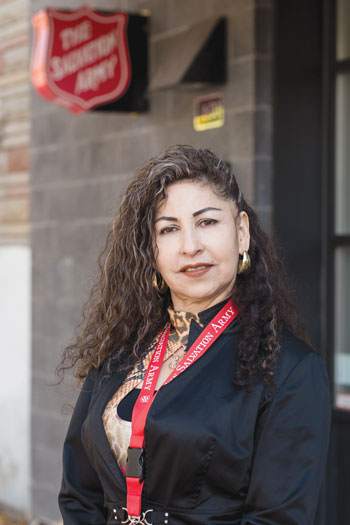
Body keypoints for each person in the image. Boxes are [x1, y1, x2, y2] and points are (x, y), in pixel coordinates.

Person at [58, 145, 331, 525]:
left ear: (241, 232)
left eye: (207, 222)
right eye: (169, 229)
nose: (190, 246)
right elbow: (78, 492)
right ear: (150, 251)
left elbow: (277, 519)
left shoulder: (290, 370)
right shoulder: (122, 352)